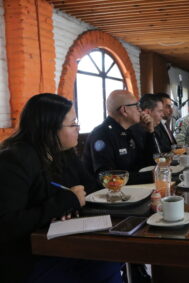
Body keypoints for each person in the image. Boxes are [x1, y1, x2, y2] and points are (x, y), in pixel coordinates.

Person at [0, 93, 122, 283]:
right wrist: (63, 203)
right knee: (103, 265)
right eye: (73, 124)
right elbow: (8, 224)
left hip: (65, 243)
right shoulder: (14, 160)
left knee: (111, 260)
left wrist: (70, 202)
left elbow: (88, 188)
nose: (78, 129)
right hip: (29, 258)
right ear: (49, 129)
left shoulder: (64, 153)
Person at [83, 89, 155, 185]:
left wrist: (150, 132)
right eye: (137, 105)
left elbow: (148, 162)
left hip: (133, 188)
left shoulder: (132, 130)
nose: (140, 110)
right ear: (124, 110)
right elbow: (107, 178)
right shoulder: (101, 134)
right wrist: (151, 176)